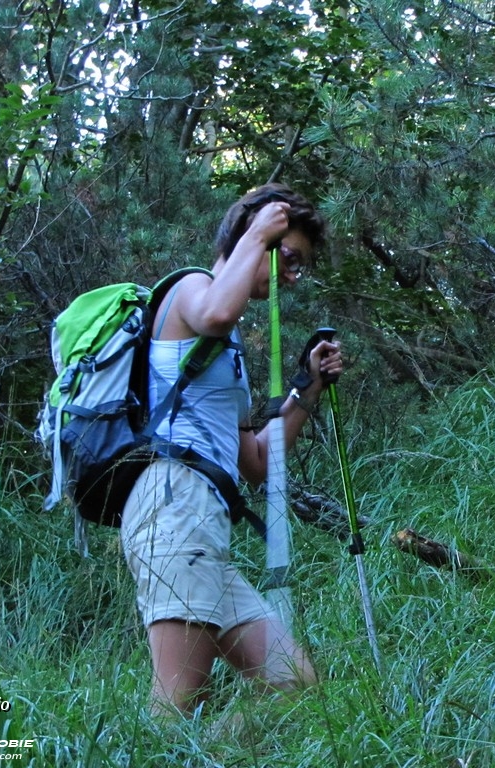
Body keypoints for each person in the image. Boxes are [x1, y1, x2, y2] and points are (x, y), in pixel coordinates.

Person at [119, 183, 341, 715]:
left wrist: (307, 389)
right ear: (252, 231)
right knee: (177, 700)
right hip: (173, 504)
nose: (292, 275)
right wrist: (262, 229)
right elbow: (217, 311)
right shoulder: (192, 291)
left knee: (296, 686)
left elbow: (261, 463)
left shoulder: (228, 350)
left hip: (206, 519)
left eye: (300, 266)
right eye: (288, 257)